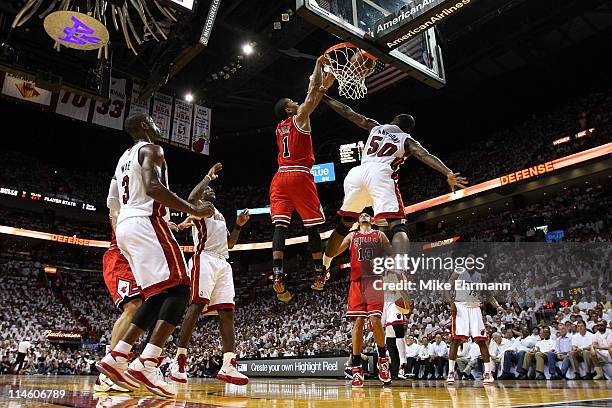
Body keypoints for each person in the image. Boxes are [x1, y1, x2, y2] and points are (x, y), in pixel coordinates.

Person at [96, 113, 213, 398]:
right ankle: (149, 360)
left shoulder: (123, 158)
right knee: (182, 287)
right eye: (154, 121)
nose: (160, 124)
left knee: (158, 294)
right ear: (145, 127)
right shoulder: (152, 149)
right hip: (146, 221)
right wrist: (194, 210)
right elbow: (153, 188)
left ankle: (118, 355)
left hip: (125, 226)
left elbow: (115, 200)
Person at [319, 94, 467, 279]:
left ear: (394, 121)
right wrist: (448, 172)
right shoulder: (407, 140)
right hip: (380, 174)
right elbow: (425, 155)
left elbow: (349, 113)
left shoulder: (377, 127)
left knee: (343, 227)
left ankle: (324, 266)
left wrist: (325, 97)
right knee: (398, 226)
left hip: (357, 174)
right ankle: (399, 269)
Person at [168, 163, 250, 386]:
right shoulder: (200, 208)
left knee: (227, 312)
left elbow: (230, 244)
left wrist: (239, 226)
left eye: (211, 189)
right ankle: (179, 361)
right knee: (195, 307)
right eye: (207, 190)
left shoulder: (218, 213)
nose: (211, 190)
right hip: (204, 258)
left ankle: (228, 364)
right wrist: (207, 177)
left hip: (223, 262)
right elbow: (192, 199)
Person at [270, 56, 336, 302]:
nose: (296, 102)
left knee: (280, 226)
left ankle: (277, 274)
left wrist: (329, 78)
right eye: (292, 102)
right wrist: (319, 66)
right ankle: (319, 271)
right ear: (289, 109)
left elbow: (315, 95)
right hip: (299, 174)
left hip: (279, 177)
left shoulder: (280, 128)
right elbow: (312, 95)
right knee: (312, 226)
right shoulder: (298, 119)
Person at [326, 213, 393, 387]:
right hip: (356, 283)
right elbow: (332, 252)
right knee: (358, 323)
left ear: (372, 220)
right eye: (361, 213)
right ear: (357, 220)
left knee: (375, 320)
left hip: (374, 280)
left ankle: (383, 359)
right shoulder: (351, 236)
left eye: (368, 213)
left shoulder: (379, 235)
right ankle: (356, 367)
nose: (364, 214)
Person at [96, 182, 145, 393]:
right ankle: (107, 372)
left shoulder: (143, 202)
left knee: (144, 308)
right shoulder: (120, 195)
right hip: (120, 256)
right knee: (133, 306)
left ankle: (123, 364)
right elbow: (114, 215)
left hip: (136, 259)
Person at [446, 264, 503, 385]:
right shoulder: (458, 273)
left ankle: (487, 372)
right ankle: (451, 372)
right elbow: (446, 289)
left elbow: (488, 294)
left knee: (481, 341)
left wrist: (497, 306)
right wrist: (451, 303)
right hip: (460, 307)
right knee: (455, 340)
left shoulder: (480, 276)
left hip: (475, 308)